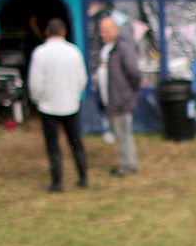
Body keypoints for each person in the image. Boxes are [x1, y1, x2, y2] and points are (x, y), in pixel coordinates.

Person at [26, 18, 89, 191]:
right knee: (76, 142)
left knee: (53, 145)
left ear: (47, 32)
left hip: (49, 107)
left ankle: (57, 181)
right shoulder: (74, 51)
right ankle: (83, 177)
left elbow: (35, 82)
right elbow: (82, 79)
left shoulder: (40, 53)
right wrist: (75, 94)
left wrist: (37, 99)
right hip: (71, 105)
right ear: (64, 32)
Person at [92, 12, 143, 176]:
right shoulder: (106, 49)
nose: (102, 34)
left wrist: (130, 93)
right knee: (119, 133)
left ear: (115, 30)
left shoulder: (123, 48)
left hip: (122, 99)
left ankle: (129, 165)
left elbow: (133, 72)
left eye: (105, 30)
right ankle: (125, 162)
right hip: (111, 99)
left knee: (124, 134)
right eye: (101, 31)